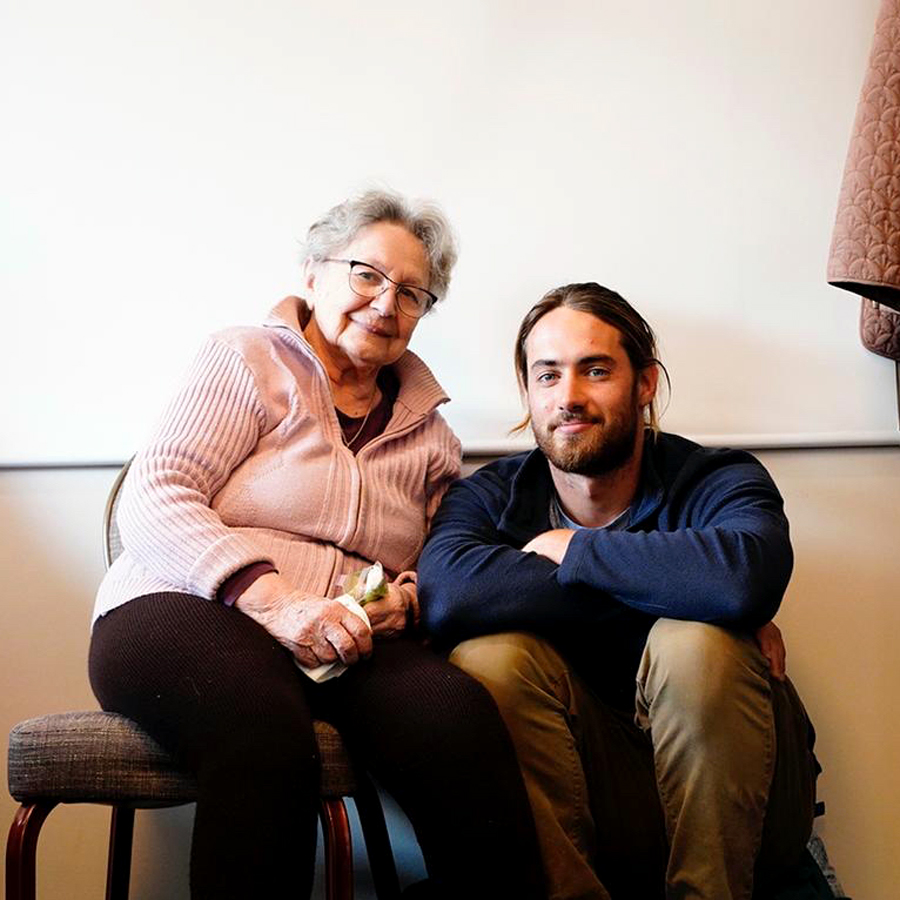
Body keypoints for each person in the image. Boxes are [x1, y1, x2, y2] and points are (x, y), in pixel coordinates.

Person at [88, 190, 545, 900]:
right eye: (366, 274)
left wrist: (408, 602)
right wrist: (272, 600)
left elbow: (438, 562)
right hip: (182, 606)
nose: (386, 303)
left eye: (412, 293)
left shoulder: (433, 439)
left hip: (342, 638)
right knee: (263, 734)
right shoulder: (245, 359)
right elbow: (157, 492)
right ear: (312, 271)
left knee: (458, 719)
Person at [418, 282, 819, 900]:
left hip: (743, 807)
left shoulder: (715, 478)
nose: (569, 397)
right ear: (526, 391)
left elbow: (743, 578)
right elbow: (447, 599)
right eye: (547, 375)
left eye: (596, 370)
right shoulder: (490, 496)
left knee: (697, 647)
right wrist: (679, 588)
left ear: (646, 382)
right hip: (590, 805)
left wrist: (576, 551)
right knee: (487, 657)